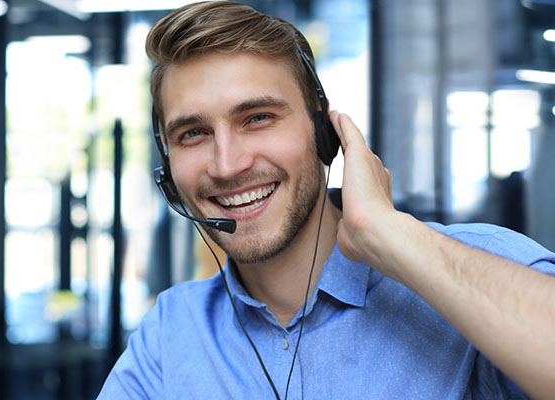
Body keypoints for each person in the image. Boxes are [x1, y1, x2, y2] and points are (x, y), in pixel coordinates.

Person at [98, 2, 555, 399]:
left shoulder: (477, 264)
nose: (227, 164)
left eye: (257, 118)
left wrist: (383, 232)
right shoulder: (172, 333)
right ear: (168, 168)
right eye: (193, 133)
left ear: (323, 131)